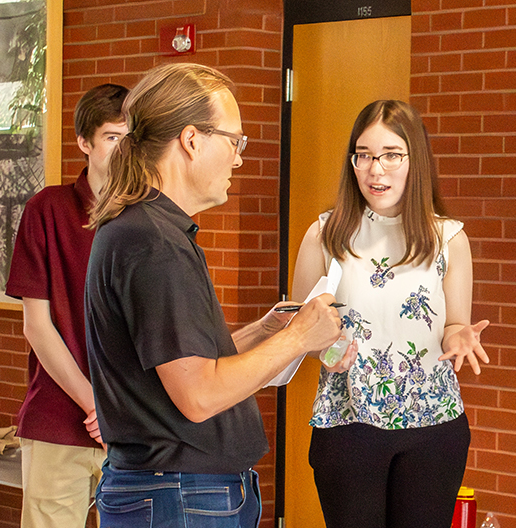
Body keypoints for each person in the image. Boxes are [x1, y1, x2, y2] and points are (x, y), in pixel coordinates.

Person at [84, 63, 343, 527]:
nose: (239, 158)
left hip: (177, 489)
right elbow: (199, 395)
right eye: (234, 141)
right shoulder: (154, 242)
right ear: (191, 139)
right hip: (180, 493)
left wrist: (264, 332)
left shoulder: (148, 230)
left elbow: (179, 366)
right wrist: (299, 337)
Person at [291, 99, 490, 527]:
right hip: (348, 423)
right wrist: (326, 353)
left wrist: (458, 337)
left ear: (414, 159)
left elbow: (455, 322)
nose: (375, 170)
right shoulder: (324, 234)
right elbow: (299, 331)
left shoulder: (447, 238)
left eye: (390, 155)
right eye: (363, 156)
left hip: (433, 424)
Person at [4, 83, 127, 528]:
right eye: (114, 137)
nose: (124, 149)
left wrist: (118, 410)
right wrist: (94, 403)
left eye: (132, 138)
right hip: (59, 417)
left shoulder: (152, 216)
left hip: (135, 426)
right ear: (85, 143)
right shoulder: (47, 210)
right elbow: (37, 327)